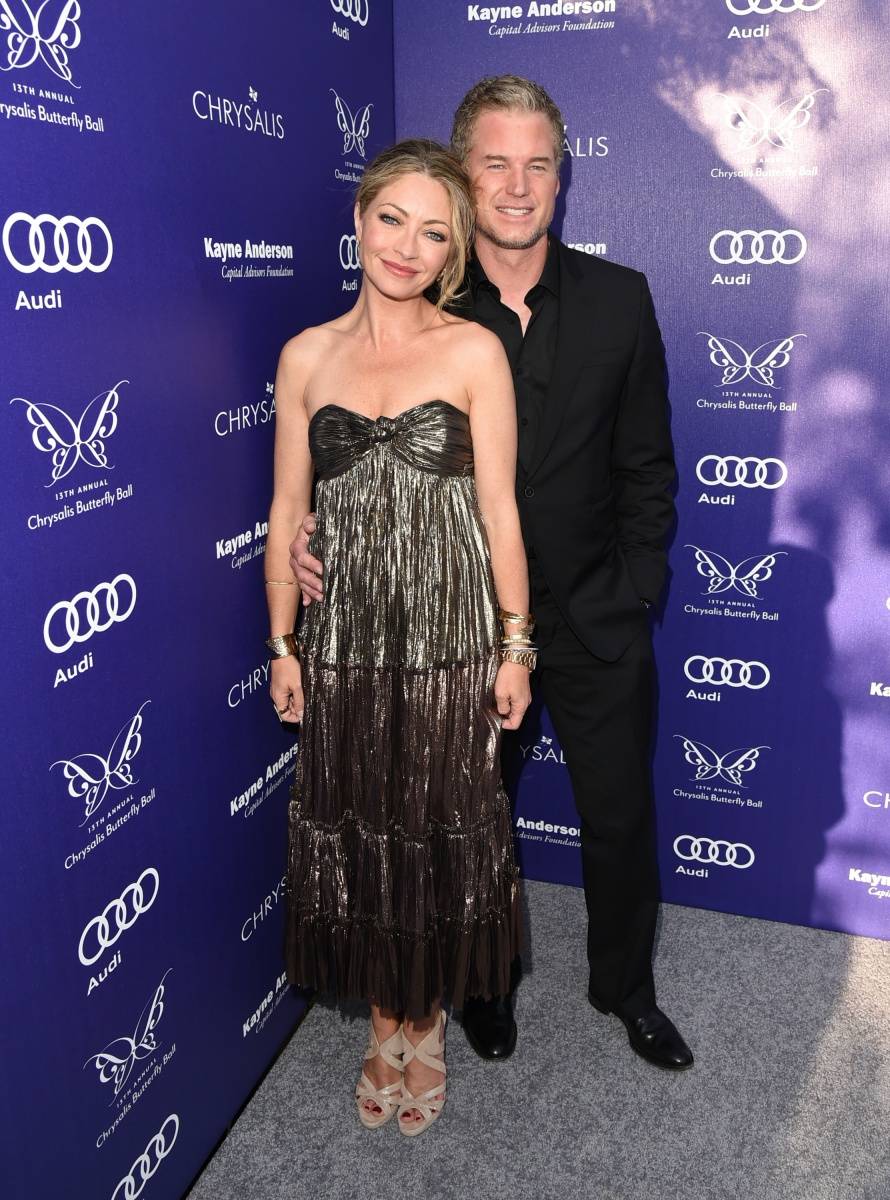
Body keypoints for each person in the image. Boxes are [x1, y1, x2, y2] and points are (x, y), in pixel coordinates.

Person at [290, 78, 694, 1071]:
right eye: (495, 164)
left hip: (596, 612)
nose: (517, 186)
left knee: (618, 815)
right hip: (459, 628)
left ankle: (626, 991)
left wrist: (635, 586)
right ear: (462, 177)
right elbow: (360, 452)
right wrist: (314, 535)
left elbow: (647, 464)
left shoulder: (620, 297)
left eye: (538, 165)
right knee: (468, 820)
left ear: (561, 176)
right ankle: (483, 989)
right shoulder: (424, 294)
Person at [264, 138, 532, 1136]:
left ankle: (426, 1021)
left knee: (437, 820)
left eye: (433, 233)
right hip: (343, 635)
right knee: (359, 823)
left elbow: (499, 510)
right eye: (391, 220)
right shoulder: (305, 355)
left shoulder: (473, 351)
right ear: (359, 217)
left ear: (454, 251)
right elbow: (286, 509)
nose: (406, 248)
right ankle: (385, 1018)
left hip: (449, 638)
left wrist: (516, 646)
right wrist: (282, 642)